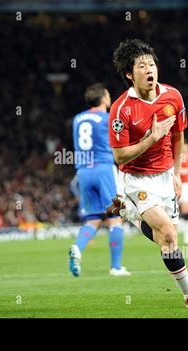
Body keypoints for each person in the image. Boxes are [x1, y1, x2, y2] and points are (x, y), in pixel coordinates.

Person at [106, 39, 188, 308]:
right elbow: (120, 156)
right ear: (129, 74)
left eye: (151, 64)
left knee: (165, 239)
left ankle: (128, 213)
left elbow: (178, 135)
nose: (149, 69)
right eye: (141, 65)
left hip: (165, 177)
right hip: (136, 178)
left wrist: (175, 173)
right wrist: (151, 138)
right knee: (170, 235)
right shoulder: (121, 109)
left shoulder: (173, 96)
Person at [68, 83, 131, 277]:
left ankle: (78, 247)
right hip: (104, 169)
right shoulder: (108, 118)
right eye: (108, 95)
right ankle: (116, 267)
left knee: (93, 218)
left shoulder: (78, 119)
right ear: (103, 98)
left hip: (83, 173)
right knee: (115, 217)